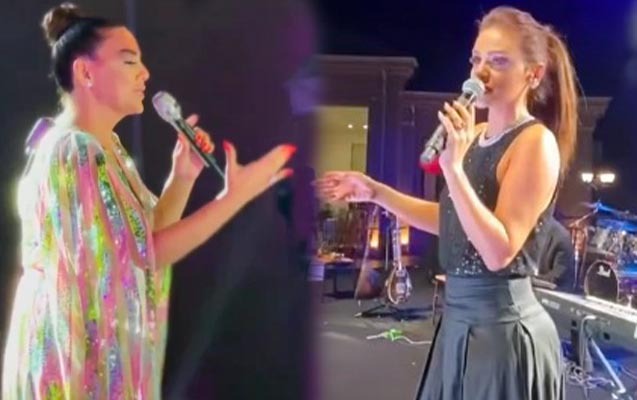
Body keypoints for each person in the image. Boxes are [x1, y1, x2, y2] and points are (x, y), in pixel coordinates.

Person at [1, 3, 295, 399]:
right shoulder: (75, 150)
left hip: (90, 345)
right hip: (71, 355)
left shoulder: (105, 148)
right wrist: (234, 197)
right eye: (129, 61)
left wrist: (183, 176)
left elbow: (145, 233)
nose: (145, 73)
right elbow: (144, 255)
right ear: (85, 72)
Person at [316, 6, 578, 399]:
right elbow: (452, 218)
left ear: (534, 74)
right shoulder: (474, 134)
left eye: (498, 61)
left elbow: (499, 251)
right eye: (477, 60)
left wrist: (453, 170)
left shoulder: (535, 143)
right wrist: (375, 192)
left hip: (501, 333)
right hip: (457, 323)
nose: (481, 73)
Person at [536, 216, 576, 291]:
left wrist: (527, 279)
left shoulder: (561, 238)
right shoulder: (518, 231)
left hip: (550, 292)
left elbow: (556, 278)